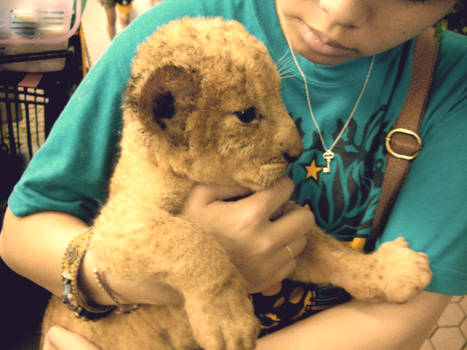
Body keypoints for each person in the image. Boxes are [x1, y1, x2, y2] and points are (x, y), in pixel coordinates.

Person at [1, 0, 466, 349]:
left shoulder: (452, 86)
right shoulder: (173, 36)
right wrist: (196, 274)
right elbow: (21, 233)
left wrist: (364, 273)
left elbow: (397, 325)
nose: (339, 11)